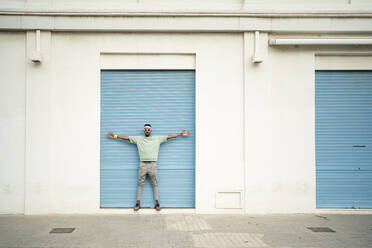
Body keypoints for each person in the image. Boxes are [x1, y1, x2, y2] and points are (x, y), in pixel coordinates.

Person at [106, 124, 190, 211]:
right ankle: (138, 203)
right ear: (144, 130)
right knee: (140, 183)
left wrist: (180, 134)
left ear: (151, 131)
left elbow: (169, 136)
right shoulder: (138, 139)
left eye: (148, 129)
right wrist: (115, 136)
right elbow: (126, 138)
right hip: (142, 164)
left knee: (155, 183)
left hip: (153, 164)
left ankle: (157, 203)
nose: (147, 131)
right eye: (145, 129)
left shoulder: (157, 138)